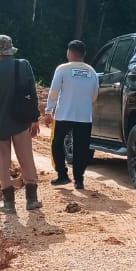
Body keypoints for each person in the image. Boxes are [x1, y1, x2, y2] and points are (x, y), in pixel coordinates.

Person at [0, 34, 42, 213]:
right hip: (21, 121)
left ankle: (9, 203)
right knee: (26, 159)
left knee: (2, 162)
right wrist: (34, 118)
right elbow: (32, 92)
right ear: (10, 50)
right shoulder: (23, 65)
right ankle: (32, 200)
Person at [43, 40, 99, 190]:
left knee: (57, 143)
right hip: (84, 116)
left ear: (70, 52)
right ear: (83, 54)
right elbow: (95, 95)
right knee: (82, 148)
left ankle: (62, 175)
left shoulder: (62, 69)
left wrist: (49, 110)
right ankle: (79, 180)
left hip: (64, 114)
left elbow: (54, 92)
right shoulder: (92, 72)